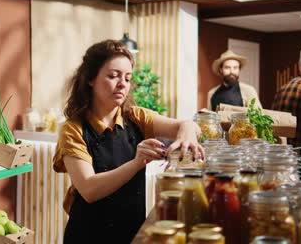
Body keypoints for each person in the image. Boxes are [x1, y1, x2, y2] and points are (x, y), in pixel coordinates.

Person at [53, 40, 204, 244]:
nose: (122, 83)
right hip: (89, 234)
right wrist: (136, 162)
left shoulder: (135, 117)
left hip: (131, 230)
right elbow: (89, 189)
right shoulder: (73, 129)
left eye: (127, 77)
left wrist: (186, 135)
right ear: (90, 79)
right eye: (113, 76)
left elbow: (188, 125)